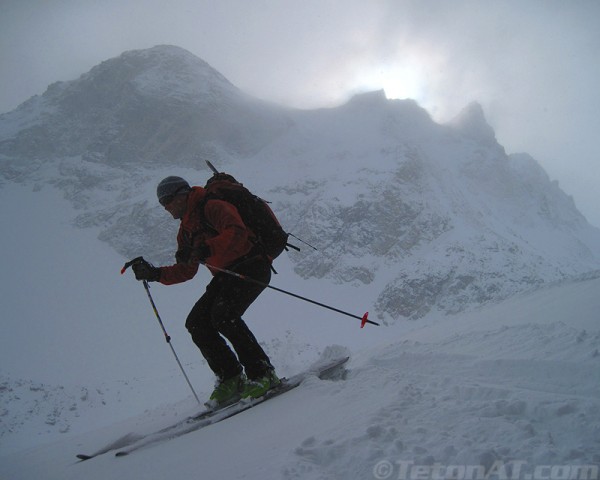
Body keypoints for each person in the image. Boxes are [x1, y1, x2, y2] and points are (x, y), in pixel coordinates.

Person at [132, 175, 279, 406]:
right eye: (162, 203)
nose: (166, 207)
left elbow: (237, 231)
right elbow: (186, 271)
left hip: (252, 265)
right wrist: (154, 274)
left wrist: (205, 249)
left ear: (182, 194)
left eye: (168, 200)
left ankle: (263, 373)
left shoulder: (212, 206)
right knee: (196, 322)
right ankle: (230, 376)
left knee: (224, 315)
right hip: (225, 275)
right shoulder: (186, 231)